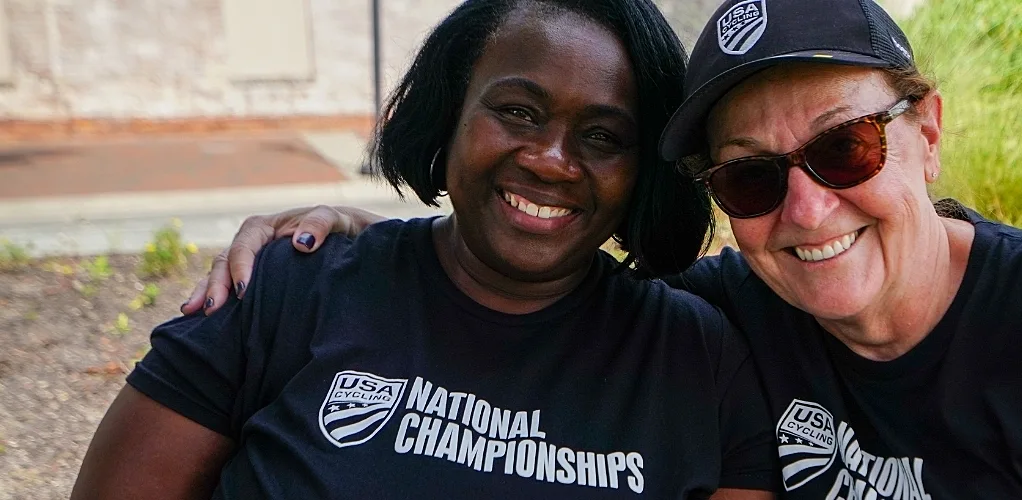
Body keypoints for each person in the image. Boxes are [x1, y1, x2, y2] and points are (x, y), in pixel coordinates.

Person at [184, 0, 1022, 497]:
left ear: (926, 129)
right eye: (750, 176)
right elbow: (532, 265)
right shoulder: (728, 313)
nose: (809, 209)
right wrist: (358, 242)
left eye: (845, 145)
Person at [72, 1, 779, 498]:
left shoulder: (700, 360)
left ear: (643, 171)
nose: (552, 161)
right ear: (450, 114)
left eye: (602, 136)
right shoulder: (289, 287)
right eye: (517, 111)